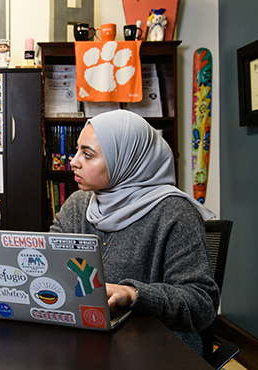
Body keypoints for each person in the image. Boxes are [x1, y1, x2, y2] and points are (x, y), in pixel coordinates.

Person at [50, 109, 219, 355]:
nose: (74, 161)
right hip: (90, 340)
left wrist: (134, 294)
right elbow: (51, 265)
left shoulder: (175, 213)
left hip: (156, 349)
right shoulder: (79, 204)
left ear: (126, 160)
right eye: (77, 151)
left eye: (87, 154)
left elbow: (201, 304)